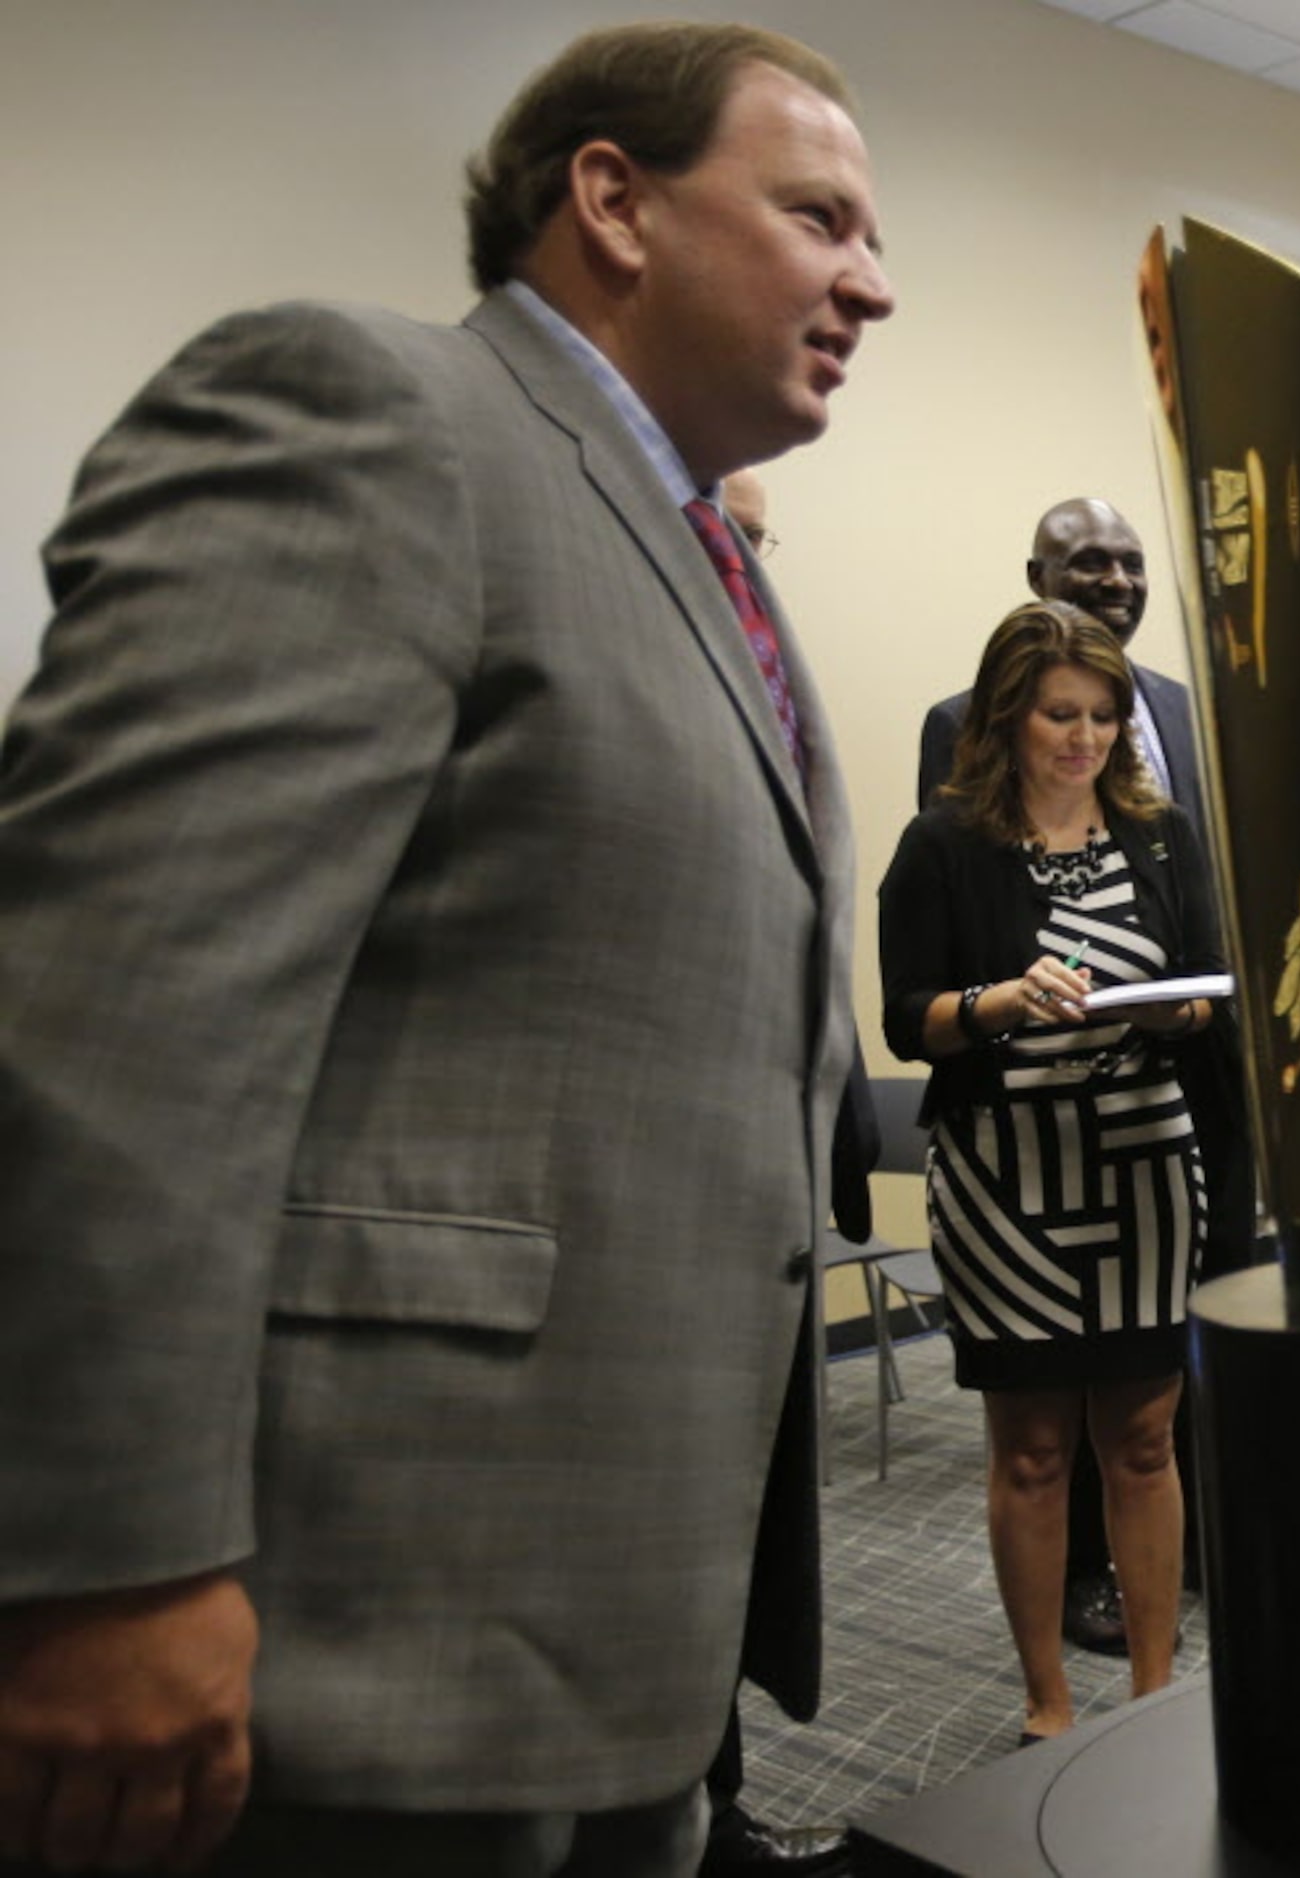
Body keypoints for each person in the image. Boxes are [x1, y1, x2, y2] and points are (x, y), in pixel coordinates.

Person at [0, 23, 892, 1875]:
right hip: (339, 1646)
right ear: (612, 202)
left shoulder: (705, 552)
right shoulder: (377, 414)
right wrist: (104, 1557)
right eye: (818, 216)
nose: (869, 281)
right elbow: (114, 1010)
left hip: (613, 1619)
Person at [878, 601, 1225, 1748]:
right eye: (1058, 715)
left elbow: (1203, 980)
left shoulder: (1161, 832)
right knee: (1032, 1451)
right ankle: (1047, 1704)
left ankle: (1152, 1696)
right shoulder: (945, 845)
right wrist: (1000, 1003)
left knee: (1142, 1440)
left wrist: (1182, 1005)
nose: (1083, 739)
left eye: (1102, 716)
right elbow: (906, 1023)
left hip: (1141, 1172)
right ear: (1007, 717)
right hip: (1007, 1181)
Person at [699, 471, 862, 1878]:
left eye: (757, 540)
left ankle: (714, 1806)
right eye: (816, 225)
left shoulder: (754, 680)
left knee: (711, 1568)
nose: (862, 275)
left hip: (741, 1236)